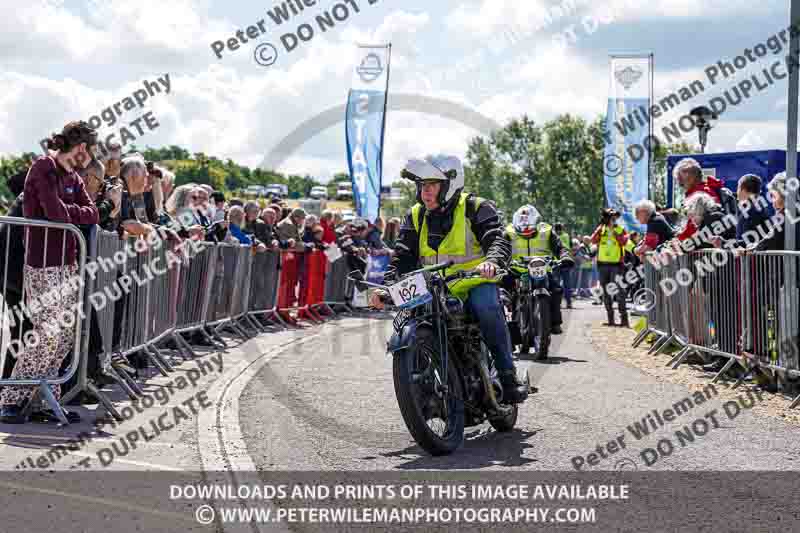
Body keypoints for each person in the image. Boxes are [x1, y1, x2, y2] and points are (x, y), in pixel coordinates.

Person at [369, 155, 528, 404]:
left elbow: (497, 238)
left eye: (432, 184)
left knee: (486, 306)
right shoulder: (415, 215)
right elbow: (402, 256)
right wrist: (387, 287)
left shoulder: (476, 207)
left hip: (474, 281)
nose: (425, 191)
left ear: (450, 184)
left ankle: (508, 378)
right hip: (431, 287)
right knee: (409, 317)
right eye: (422, 185)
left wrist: (492, 261)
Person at [1, 121, 100, 423]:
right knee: (47, 334)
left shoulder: (74, 177)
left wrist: (69, 214)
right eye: (91, 150)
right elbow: (55, 213)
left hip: (68, 264)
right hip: (42, 263)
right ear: (81, 148)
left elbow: (93, 213)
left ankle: (43, 399)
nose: (91, 157)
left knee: (66, 335)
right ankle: (11, 400)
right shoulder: (44, 167)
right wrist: (72, 214)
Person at [504, 205, 573, 333]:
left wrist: (565, 256)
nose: (526, 231)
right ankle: (505, 323)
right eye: (522, 229)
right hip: (517, 269)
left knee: (556, 290)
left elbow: (560, 247)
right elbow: (501, 249)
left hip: (542, 269)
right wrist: (498, 262)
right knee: (502, 290)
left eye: (529, 228)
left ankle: (555, 323)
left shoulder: (546, 231)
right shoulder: (508, 232)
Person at [591, 208, 629, 327]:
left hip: (616, 265)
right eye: (610, 217)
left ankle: (624, 319)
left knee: (619, 291)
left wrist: (614, 231)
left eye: (613, 217)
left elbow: (624, 242)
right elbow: (593, 240)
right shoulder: (601, 229)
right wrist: (600, 229)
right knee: (606, 292)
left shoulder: (620, 229)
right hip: (602, 264)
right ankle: (610, 319)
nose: (612, 220)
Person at [673, 158, 724, 241]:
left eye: (680, 179)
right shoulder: (704, 190)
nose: (680, 183)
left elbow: (694, 225)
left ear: (691, 178)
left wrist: (680, 239)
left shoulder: (700, 193)